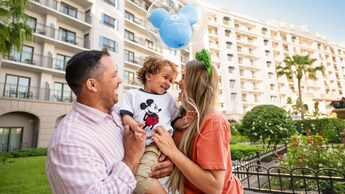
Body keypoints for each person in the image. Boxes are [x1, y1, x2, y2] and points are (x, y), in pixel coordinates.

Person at [46, 49, 173, 194]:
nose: (120, 80)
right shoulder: (70, 142)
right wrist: (131, 159)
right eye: (114, 75)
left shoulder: (119, 113)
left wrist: (163, 163)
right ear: (92, 85)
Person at [152, 49, 244, 194]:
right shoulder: (180, 117)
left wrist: (172, 152)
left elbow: (215, 187)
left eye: (183, 77)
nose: (178, 82)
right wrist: (172, 164)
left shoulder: (213, 121)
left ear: (195, 83)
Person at [120, 56, 194, 194]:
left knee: (138, 177)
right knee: (135, 173)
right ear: (148, 76)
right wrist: (134, 126)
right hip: (135, 143)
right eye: (165, 77)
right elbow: (126, 115)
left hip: (155, 144)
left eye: (171, 80)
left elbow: (175, 121)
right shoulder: (132, 95)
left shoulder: (168, 99)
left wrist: (185, 121)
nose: (168, 83)